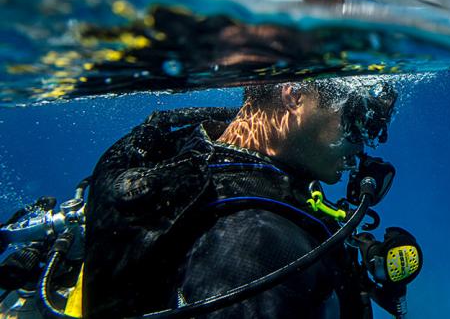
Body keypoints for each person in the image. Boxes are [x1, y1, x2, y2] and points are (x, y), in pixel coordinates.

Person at [75, 78, 410, 319]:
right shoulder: (258, 245)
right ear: (293, 94)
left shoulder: (204, 151)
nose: (363, 145)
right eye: (356, 121)